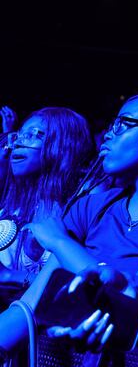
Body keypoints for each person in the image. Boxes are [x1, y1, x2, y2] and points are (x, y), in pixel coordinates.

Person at [0, 93, 138, 358]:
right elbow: (31, 305)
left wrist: (60, 242)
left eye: (122, 125)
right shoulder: (90, 207)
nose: (108, 136)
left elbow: (128, 298)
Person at [0, 107, 95, 291]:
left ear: (63, 147)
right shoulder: (8, 210)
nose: (19, 143)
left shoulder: (83, 214)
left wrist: (10, 275)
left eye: (34, 135)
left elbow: (86, 287)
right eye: (19, 135)